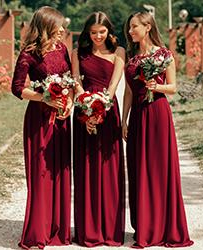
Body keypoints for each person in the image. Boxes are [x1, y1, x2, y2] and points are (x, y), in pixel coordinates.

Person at [123, 11, 194, 248]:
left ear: (147, 26)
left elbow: (173, 88)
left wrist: (158, 86)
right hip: (138, 116)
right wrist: (123, 120)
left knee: (159, 168)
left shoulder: (165, 55)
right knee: (139, 168)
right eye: (129, 27)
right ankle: (145, 225)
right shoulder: (131, 58)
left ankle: (165, 226)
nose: (130, 31)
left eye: (134, 27)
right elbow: (129, 92)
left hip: (158, 114)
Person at [11, 6, 72, 249]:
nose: (63, 30)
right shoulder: (29, 54)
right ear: (47, 26)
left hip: (61, 118)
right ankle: (38, 231)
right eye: (59, 26)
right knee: (41, 173)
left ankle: (58, 229)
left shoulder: (63, 49)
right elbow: (17, 88)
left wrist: (67, 105)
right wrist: (43, 98)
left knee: (59, 172)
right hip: (38, 120)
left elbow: (67, 79)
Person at [71, 11, 125, 247]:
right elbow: (76, 82)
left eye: (102, 32)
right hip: (84, 113)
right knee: (86, 167)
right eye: (93, 32)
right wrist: (86, 109)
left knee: (109, 168)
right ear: (87, 32)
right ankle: (88, 230)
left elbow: (114, 84)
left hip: (108, 110)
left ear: (109, 31)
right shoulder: (77, 53)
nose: (97, 36)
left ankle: (110, 229)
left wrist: (101, 108)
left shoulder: (119, 52)